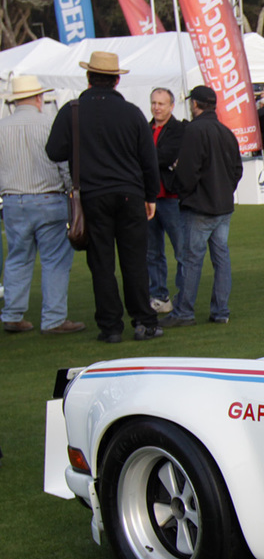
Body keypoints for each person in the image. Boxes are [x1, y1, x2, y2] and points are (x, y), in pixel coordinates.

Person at [45, 50, 161, 343]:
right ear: (116, 80)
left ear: (89, 77)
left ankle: (110, 326)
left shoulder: (73, 111)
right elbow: (149, 159)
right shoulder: (132, 112)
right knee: (134, 260)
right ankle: (144, 321)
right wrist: (150, 195)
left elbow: (53, 151)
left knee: (101, 263)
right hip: (129, 193)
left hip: (93, 196)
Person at [1, 75, 82, 335]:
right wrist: (72, 189)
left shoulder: (2, 127)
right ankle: (54, 318)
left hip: (13, 200)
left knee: (17, 258)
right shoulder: (49, 123)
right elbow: (63, 163)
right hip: (49, 198)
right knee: (55, 260)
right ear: (38, 98)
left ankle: (12, 314)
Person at [163, 86, 241, 327]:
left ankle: (184, 311)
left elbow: (187, 172)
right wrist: (226, 190)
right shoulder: (226, 131)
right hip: (222, 206)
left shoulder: (194, 131)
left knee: (191, 260)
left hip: (199, 206)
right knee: (221, 259)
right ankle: (220, 310)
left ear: (195, 104)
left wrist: (181, 188)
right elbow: (237, 169)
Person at [145, 88, 187, 316]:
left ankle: (183, 298)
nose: (157, 107)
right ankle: (159, 296)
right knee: (152, 252)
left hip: (171, 198)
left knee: (181, 251)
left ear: (171, 106)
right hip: (149, 198)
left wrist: (147, 157)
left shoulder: (178, 129)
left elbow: (165, 156)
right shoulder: (145, 128)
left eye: (161, 103)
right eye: (154, 103)